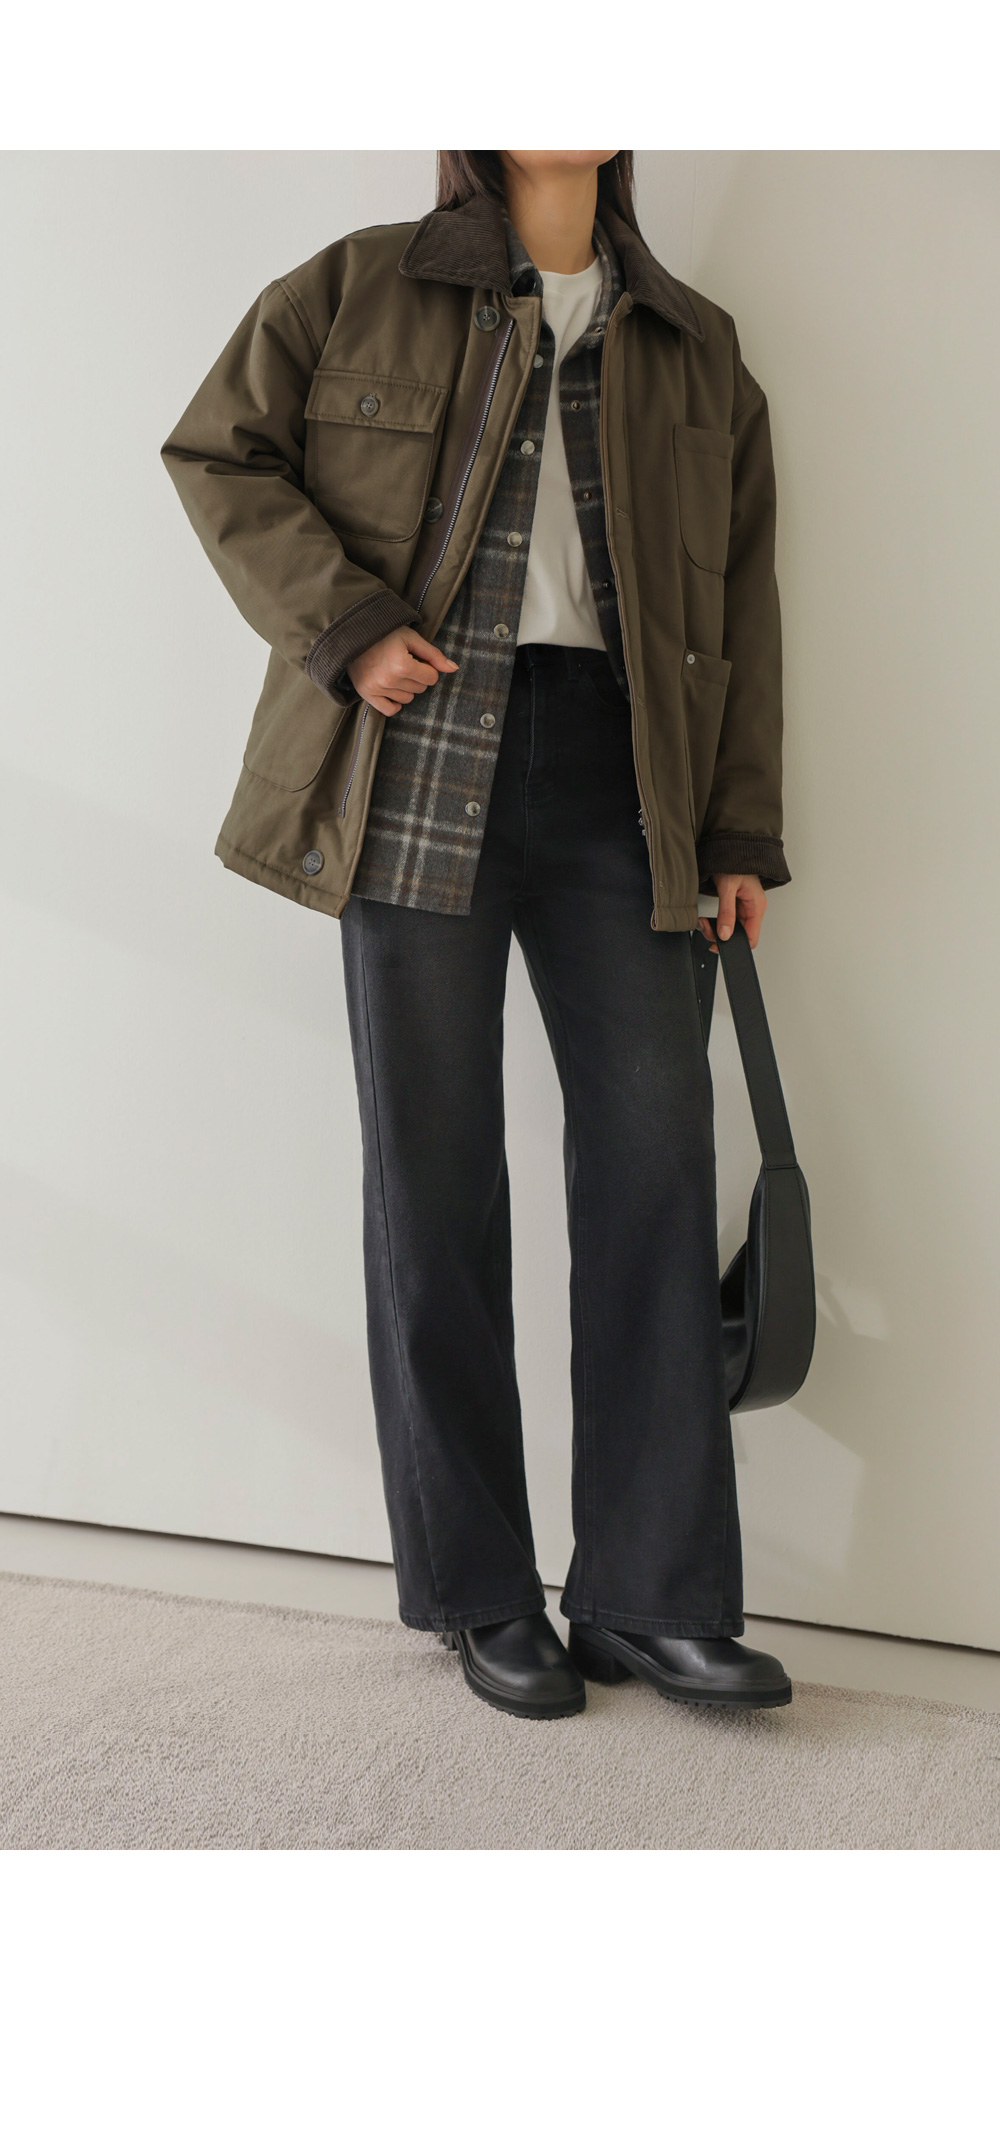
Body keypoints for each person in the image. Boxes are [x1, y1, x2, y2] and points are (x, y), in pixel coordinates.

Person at [162, 150, 794, 1720]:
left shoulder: (695, 344)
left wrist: (736, 827)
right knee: (434, 1179)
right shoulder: (359, 285)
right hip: (420, 754)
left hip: (623, 780)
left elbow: (744, 603)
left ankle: (652, 1594)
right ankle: (480, 1588)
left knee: (655, 1171)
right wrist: (348, 623)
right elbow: (219, 450)